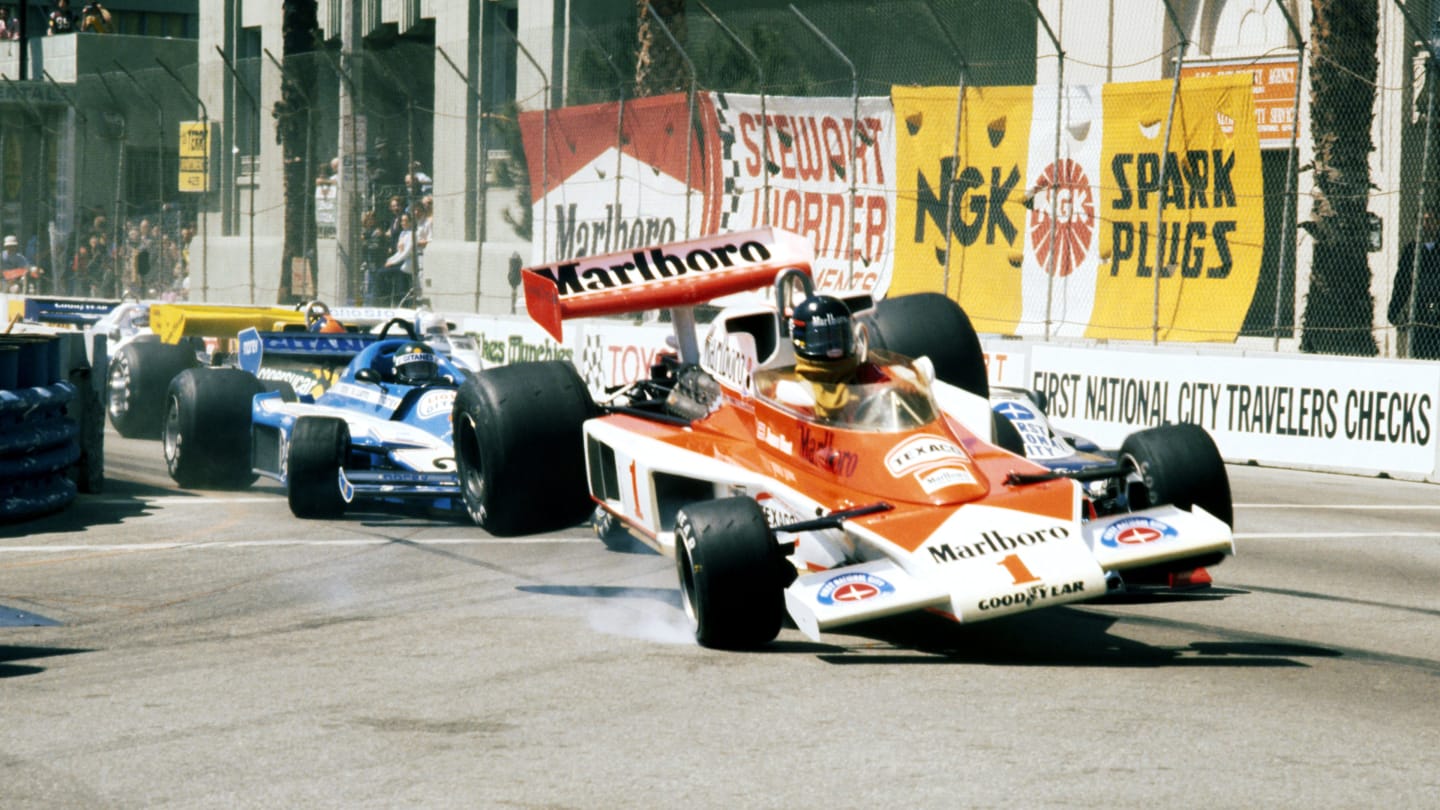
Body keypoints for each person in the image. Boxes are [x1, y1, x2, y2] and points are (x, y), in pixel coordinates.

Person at [789, 294, 885, 418]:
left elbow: (893, 391)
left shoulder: (865, 374)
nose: (834, 348)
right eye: (822, 339)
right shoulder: (795, 395)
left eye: (839, 336)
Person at [1390, 208, 1440, 359]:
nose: (1424, 225)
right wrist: (1394, 312)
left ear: (1437, 223)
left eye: (1429, 220)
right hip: (1418, 311)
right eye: (1420, 221)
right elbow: (1402, 282)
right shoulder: (1411, 250)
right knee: (1418, 354)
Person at [383, 212, 418, 305]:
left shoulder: (413, 234)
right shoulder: (402, 233)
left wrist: (393, 262)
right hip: (401, 262)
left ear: (411, 222)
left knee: (382, 273)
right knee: (384, 271)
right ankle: (388, 301)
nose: (403, 223)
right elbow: (399, 252)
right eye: (402, 221)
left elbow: (407, 253)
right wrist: (390, 260)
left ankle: (401, 303)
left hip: (407, 264)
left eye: (406, 221)